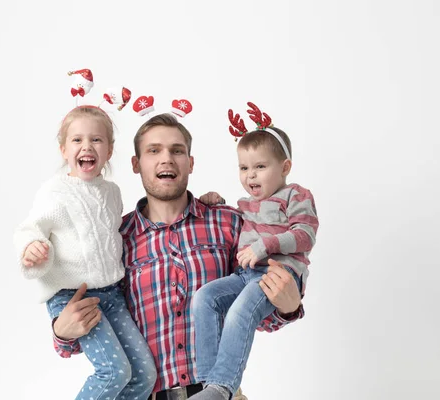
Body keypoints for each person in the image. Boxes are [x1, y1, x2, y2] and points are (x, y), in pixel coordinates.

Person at [50, 113, 305, 400]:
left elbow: (253, 314)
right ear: (136, 164)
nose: (166, 159)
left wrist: (287, 307)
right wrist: (62, 331)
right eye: (153, 150)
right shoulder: (114, 238)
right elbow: (86, 334)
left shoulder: (230, 223)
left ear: (190, 163)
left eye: (177, 150)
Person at [13, 106, 156, 400]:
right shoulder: (54, 192)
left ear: (110, 150)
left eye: (97, 140)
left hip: (113, 295)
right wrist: (32, 249)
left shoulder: (112, 192)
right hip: (73, 295)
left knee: (144, 375)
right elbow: (30, 228)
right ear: (64, 149)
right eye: (77, 140)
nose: (87, 147)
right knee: (113, 372)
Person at [190, 111, 319, 399]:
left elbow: (305, 235)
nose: (250, 175)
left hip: (277, 274)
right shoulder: (247, 204)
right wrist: (216, 201)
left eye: (260, 166)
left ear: (285, 166)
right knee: (204, 298)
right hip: (246, 276)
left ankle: (222, 387)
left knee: (240, 310)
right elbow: (243, 224)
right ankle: (208, 384)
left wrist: (264, 246)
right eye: (244, 168)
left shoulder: (295, 195)